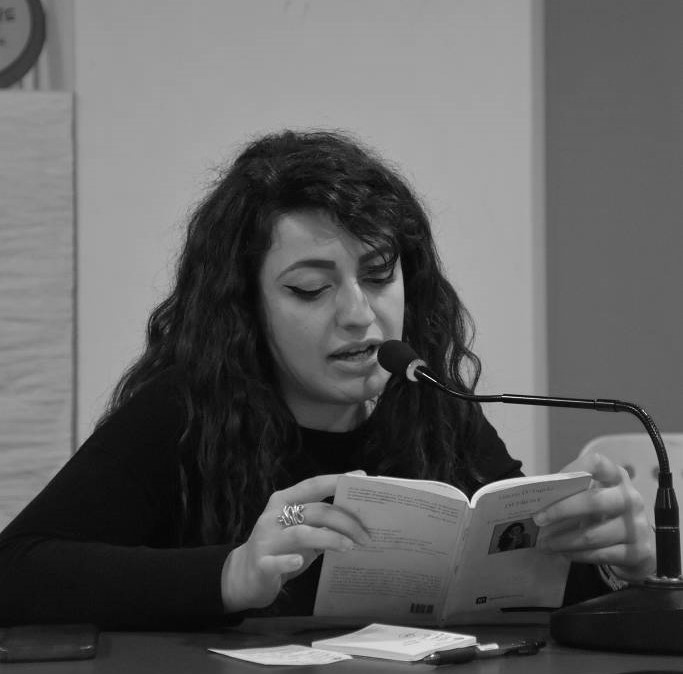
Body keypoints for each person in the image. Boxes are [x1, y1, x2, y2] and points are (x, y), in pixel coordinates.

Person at [0, 129, 655, 629]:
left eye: (378, 275)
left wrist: (616, 563)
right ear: (247, 308)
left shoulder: (431, 402)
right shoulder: (183, 411)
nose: (358, 314)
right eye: (311, 289)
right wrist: (229, 573)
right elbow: (17, 571)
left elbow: (518, 597)